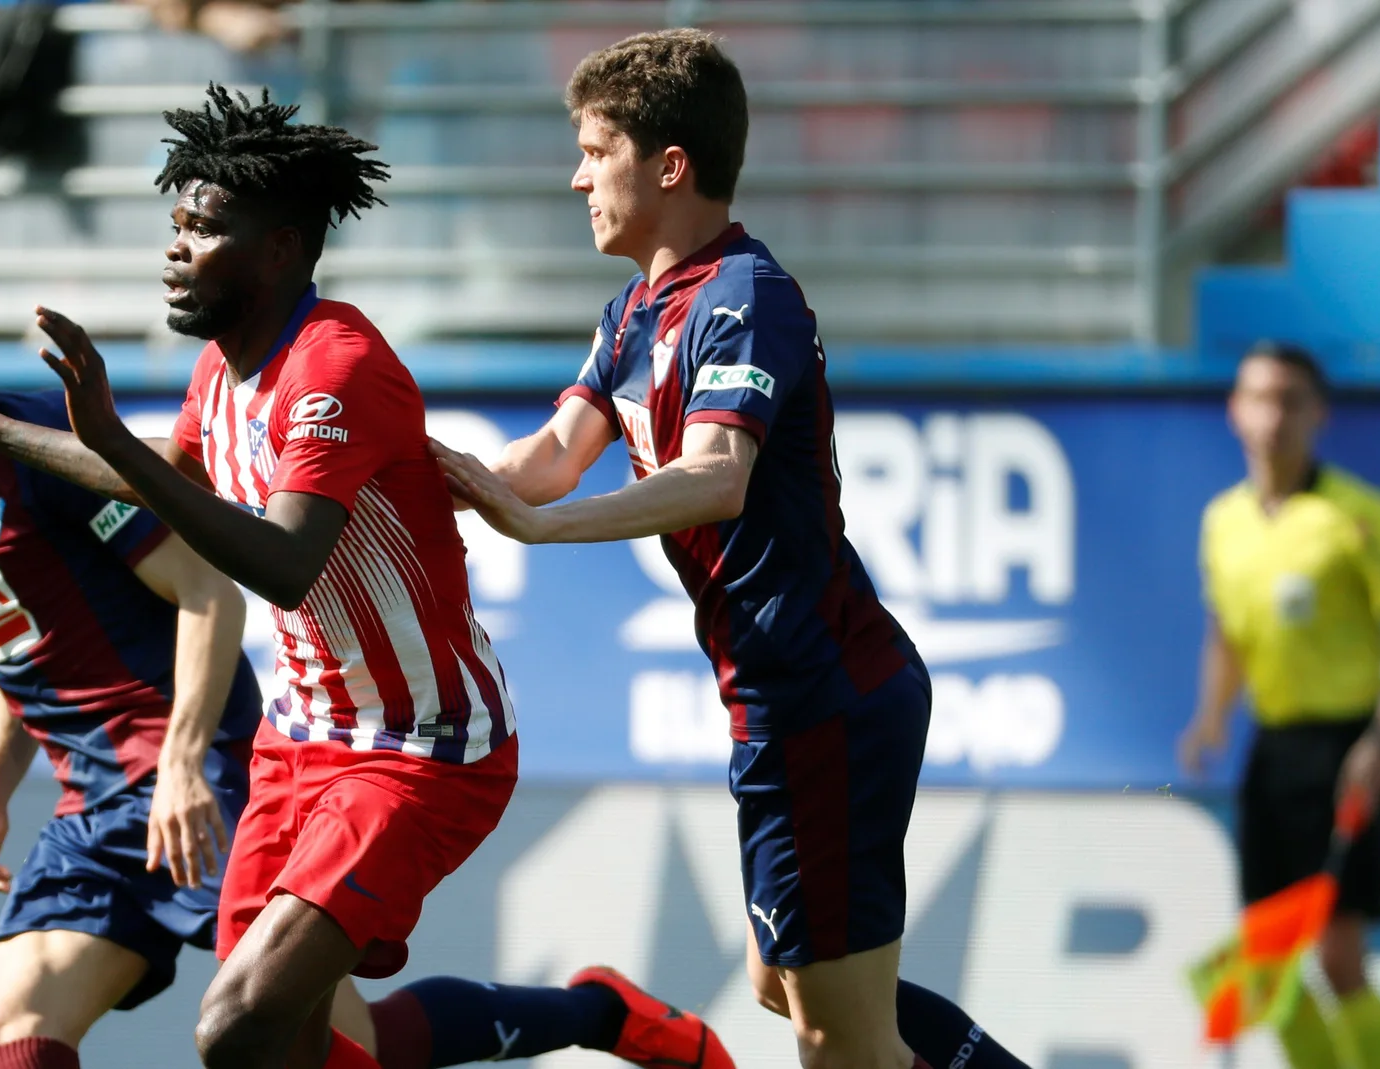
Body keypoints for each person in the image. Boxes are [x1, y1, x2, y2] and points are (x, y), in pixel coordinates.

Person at [0, 87, 730, 1069]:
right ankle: (601, 1016)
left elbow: (286, 565)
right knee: (300, 1041)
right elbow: (188, 468)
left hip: (422, 749)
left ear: (279, 249)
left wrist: (110, 437)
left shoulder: (338, 366)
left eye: (202, 228)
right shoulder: (223, 370)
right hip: (298, 746)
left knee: (235, 1027)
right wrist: (1, 431)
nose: (175, 247)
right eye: (174, 225)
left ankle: (602, 1015)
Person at [429, 30, 1030, 1069]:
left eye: (594, 150)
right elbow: (543, 463)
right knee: (787, 979)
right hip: (788, 697)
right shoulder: (633, 312)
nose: (575, 176)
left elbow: (715, 473)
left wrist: (533, 525)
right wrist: (389, 467)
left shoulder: (741, 301)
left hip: (823, 698)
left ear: (669, 166)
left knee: (838, 1041)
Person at [0, 248, 259, 1069]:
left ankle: (588, 1007)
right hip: (95, 809)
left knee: (326, 1040)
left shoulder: (40, 445)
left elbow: (211, 592)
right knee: (13, 1029)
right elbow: (10, 649)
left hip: (202, 781)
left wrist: (182, 765)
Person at [1180, 341, 1380, 1069]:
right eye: (1259, 397)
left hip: (1347, 749)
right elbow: (1225, 634)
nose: (1273, 417)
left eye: (1290, 400)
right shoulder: (1223, 520)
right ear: (1235, 410)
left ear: (1317, 413)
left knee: (1337, 953)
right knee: (1265, 964)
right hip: (1271, 748)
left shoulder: (1356, 513)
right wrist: (1210, 717)